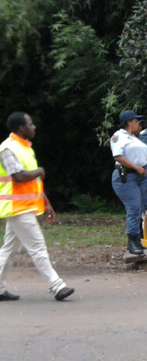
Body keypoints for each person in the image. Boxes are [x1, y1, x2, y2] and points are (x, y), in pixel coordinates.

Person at [0, 112, 74, 301]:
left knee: (9, 250)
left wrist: (46, 203)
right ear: (20, 128)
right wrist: (39, 171)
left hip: (23, 207)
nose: (34, 127)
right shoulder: (8, 148)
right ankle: (57, 286)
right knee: (38, 247)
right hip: (18, 208)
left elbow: (34, 183)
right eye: (30, 124)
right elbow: (18, 176)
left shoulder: (25, 148)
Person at [110, 109, 147, 255]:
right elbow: (118, 156)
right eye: (136, 121)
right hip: (126, 176)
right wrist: (136, 167)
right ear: (129, 122)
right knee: (134, 208)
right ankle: (132, 241)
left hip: (140, 175)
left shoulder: (133, 137)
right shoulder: (119, 136)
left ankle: (141, 238)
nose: (139, 124)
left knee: (141, 208)